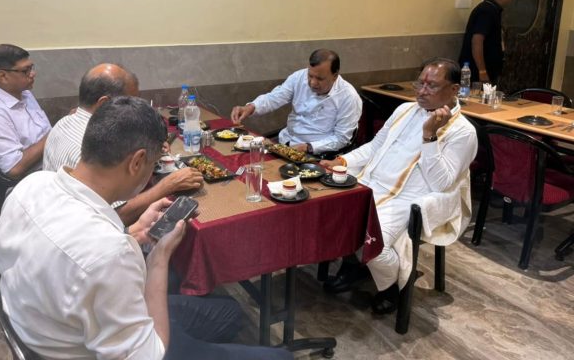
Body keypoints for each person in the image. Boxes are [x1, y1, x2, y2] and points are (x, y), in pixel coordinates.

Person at [0, 96, 292, 360]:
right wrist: (159, 258)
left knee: (229, 314)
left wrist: (134, 233)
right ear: (137, 161)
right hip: (97, 347)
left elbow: (74, 248)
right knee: (281, 357)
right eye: (154, 164)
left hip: (45, 323)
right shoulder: (109, 255)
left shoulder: (31, 186)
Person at [321, 58, 477, 313]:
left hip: (407, 199)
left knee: (371, 240)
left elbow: (442, 184)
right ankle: (354, 267)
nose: (422, 91)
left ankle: (393, 284)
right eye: (420, 83)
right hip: (370, 182)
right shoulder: (405, 109)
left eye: (431, 86)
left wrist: (430, 136)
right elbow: (375, 146)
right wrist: (342, 161)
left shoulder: (463, 131)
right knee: (330, 213)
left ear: (454, 89)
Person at [43, 63, 204, 226]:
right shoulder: (92, 148)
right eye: (129, 103)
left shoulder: (64, 122)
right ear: (103, 104)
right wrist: (168, 185)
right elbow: (115, 215)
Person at [230, 49, 362, 155]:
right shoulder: (299, 77)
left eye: (320, 79)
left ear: (335, 76)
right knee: (246, 158)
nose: (313, 83)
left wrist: (308, 147)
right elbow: (275, 97)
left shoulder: (348, 97)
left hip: (317, 153)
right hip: (286, 141)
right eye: (310, 76)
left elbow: (341, 138)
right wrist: (251, 107)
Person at [0, 44, 51, 179]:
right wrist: (54, 135)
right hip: (33, 180)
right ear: (3, 76)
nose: (33, 74)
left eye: (31, 67)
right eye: (25, 70)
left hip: (51, 162)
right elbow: (14, 168)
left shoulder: (24, 93)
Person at [458, 0, 516, 84]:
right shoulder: (487, 11)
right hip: (476, 71)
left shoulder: (492, 9)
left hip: (485, 69)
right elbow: (477, 40)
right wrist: (482, 71)